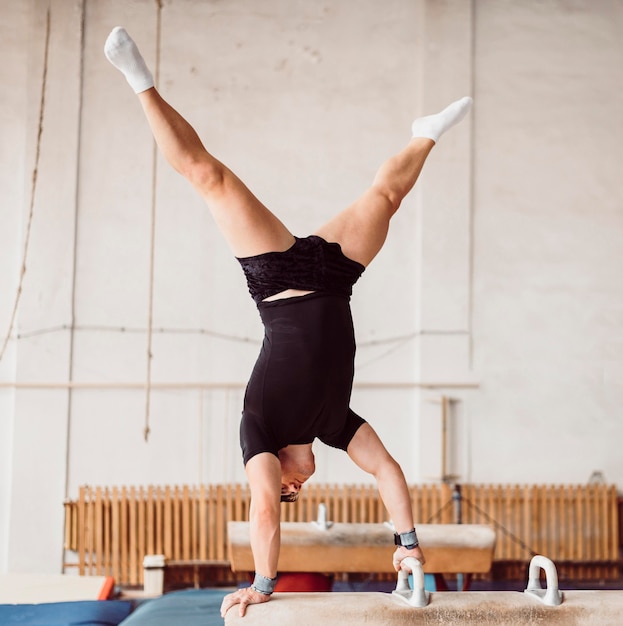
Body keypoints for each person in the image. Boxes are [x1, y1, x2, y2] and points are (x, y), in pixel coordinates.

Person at [104, 26, 472, 618]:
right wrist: (406, 545)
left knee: (208, 177)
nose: (293, 488)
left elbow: (264, 510)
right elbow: (389, 472)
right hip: (334, 276)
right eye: (296, 491)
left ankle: (140, 82)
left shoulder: (260, 431)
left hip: (274, 280)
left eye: (286, 488)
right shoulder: (334, 424)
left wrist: (265, 584)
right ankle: (424, 135)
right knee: (385, 197)